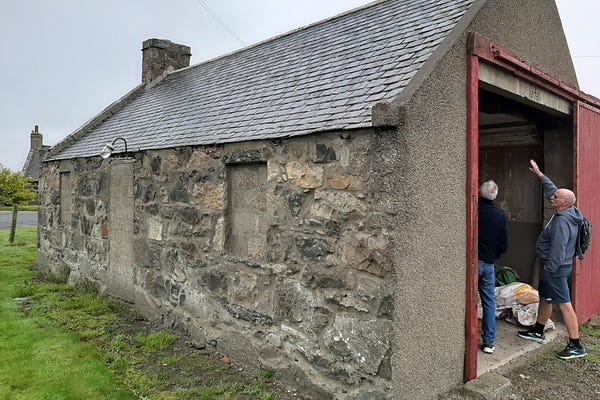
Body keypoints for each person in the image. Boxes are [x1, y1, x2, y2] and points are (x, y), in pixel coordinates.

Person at [517, 159, 587, 359]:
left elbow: (558, 250)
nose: (551, 197)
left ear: (563, 203)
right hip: (556, 266)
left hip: (555, 268)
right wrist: (540, 174)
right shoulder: (570, 209)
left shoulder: (562, 222)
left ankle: (576, 345)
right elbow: (554, 190)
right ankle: (538, 331)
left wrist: (549, 270)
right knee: (546, 298)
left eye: (555, 197)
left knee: (564, 304)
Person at [478, 180, 508, 354]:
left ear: (479, 192)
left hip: (473, 263)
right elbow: (504, 245)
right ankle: (489, 342)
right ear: (495, 195)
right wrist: (493, 255)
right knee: (489, 302)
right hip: (489, 265)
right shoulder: (499, 215)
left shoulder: (474, 210)